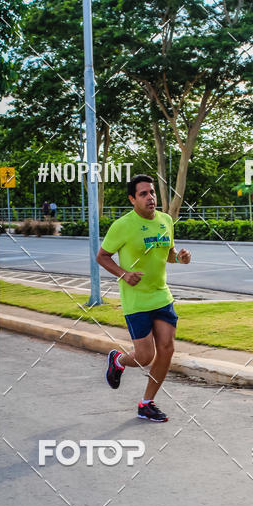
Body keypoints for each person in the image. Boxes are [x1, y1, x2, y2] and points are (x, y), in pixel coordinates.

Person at [96, 173, 191, 422]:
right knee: (144, 357)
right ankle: (118, 359)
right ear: (132, 199)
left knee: (167, 349)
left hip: (161, 296)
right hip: (136, 300)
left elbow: (167, 253)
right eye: (143, 194)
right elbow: (102, 256)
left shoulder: (166, 220)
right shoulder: (122, 226)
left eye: (152, 192)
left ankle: (146, 403)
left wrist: (179, 258)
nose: (150, 198)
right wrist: (123, 274)